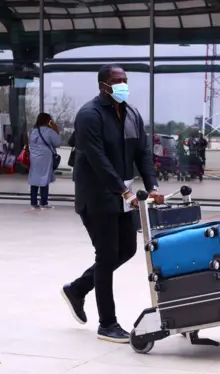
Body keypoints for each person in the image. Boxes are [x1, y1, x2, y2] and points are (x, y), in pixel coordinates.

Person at [60, 64, 163, 344]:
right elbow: (97, 159)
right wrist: (122, 190)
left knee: (128, 249)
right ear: (103, 85)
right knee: (106, 256)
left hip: (123, 197)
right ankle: (107, 323)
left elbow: (142, 152)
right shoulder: (89, 115)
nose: (123, 85)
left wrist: (152, 185)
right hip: (97, 196)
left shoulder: (130, 113)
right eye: (117, 80)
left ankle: (78, 288)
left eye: (125, 80)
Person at [27, 113, 61, 209]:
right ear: (48, 121)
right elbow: (57, 142)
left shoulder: (33, 131)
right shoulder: (49, 131)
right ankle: (44, 202)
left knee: (34, 179)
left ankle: (33, 202)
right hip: (45, 158)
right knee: (44, 178)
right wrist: (56, 130)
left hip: (34, 157)